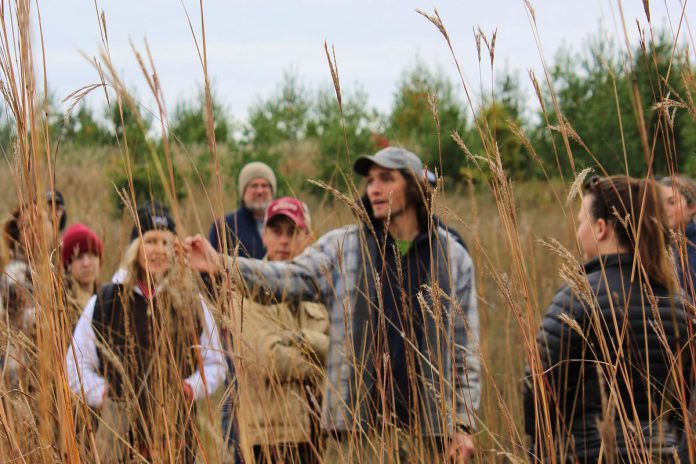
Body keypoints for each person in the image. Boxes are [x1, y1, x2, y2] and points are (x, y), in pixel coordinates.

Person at [188, 146, 480, 462]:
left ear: (413, 187)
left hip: (430, 431)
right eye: (370, 181)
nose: (374, 189)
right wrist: (221, 263)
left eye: (386, 179)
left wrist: (462, 424)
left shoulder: (451, 257)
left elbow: (465, 350)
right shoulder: (346, 245)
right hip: (358, 429)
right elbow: (288, 276)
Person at [524, 175, 693, 462]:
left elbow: (539, 390)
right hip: (661, 455)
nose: (578, 231)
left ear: (601, 228)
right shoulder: (679, 305)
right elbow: (685, 404)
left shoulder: (577, 296)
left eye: (581, 222)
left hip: (589, 453)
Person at [66, 202, 226, 462]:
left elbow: (216, 363)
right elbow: (75, 365)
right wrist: (105, 394)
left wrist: (189, 388)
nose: (158, 250)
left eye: (166, 242)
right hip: (119, 435)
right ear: (135, 247)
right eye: (150, 240)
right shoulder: (107, 299)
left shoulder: (191, 301)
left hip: (177, 432)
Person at [227, 197, 329, 463]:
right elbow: (269, 359)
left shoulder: (324, 288)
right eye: (276, 231)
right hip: (270, 436)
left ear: (309, 237)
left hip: (318, 433)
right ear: (264, 236)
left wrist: (297, 340)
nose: (284, 240)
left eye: (293, 232)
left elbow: (343, 349)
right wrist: (320, 364)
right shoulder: (244, 289)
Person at [208, 161, 276, 259]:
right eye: (254, 185)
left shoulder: (286, 223)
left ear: (272, 190)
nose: (260, 191)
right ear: (243, 191)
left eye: (265, 185)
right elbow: (210, 265)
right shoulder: (225, 225)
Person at [61, 223, 103, 330]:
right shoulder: (60, 308)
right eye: (79, 257)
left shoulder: (108, 300)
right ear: (67, 265)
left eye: (92, 255)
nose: (86, 263)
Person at [658, 175, 696, 295]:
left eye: (672, 202)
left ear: (692, 207)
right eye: (660, 202)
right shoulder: (654, 244)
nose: (664, 208)